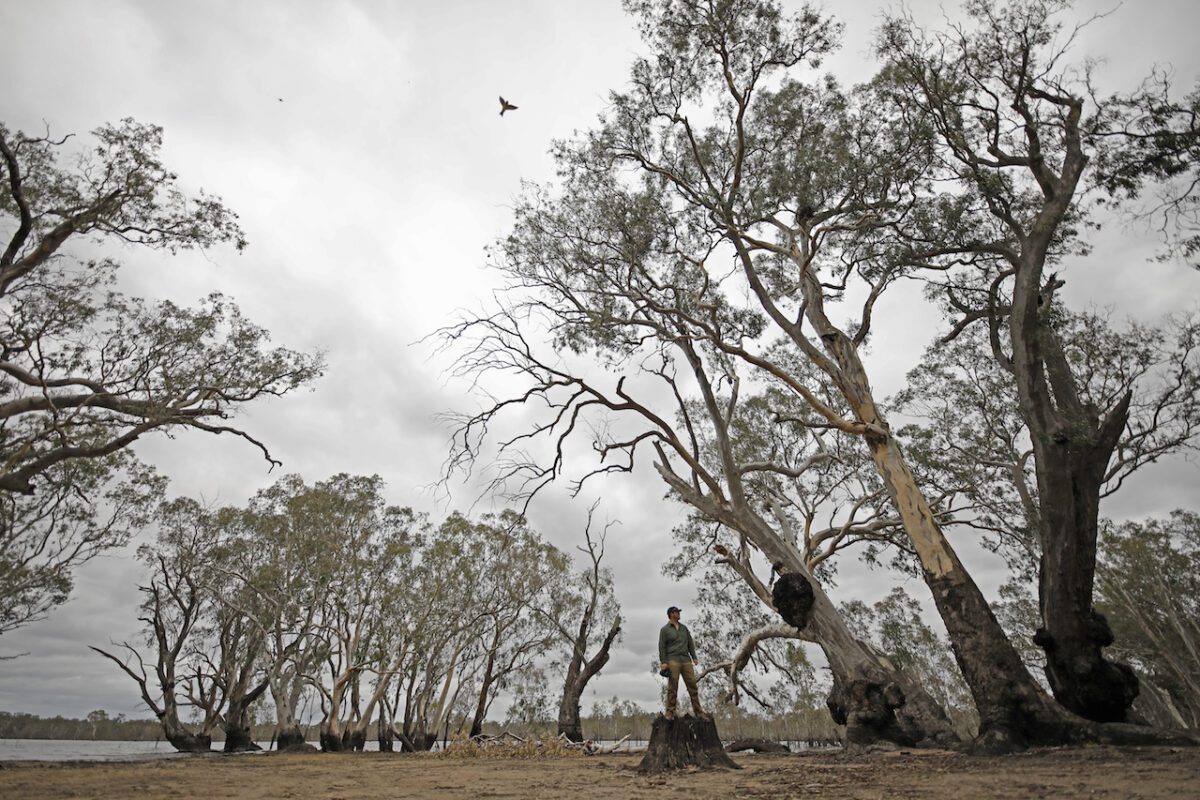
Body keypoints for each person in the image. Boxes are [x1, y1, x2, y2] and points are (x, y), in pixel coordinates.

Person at [658, 606, 706, 719]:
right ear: (671, 614)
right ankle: (670, 712)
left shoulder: (684, 628)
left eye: (679, 612)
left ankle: (699, 711)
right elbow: (661, 646)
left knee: (692, 686)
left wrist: (694, 657)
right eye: (676, 612)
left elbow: (690, 643)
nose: (679, 614)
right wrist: (663, 661)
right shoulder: (664, 630)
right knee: (673, 687)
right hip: (672, 660)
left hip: (686, 660)